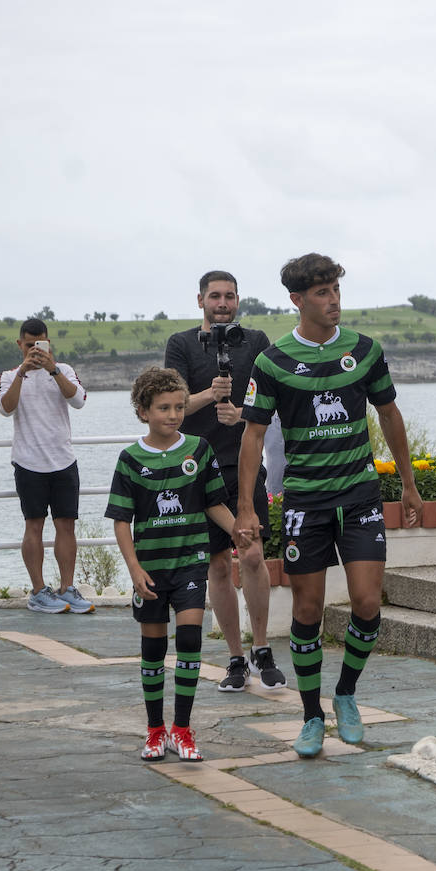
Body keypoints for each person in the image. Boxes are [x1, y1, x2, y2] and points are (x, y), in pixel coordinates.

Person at [234, 252, 422, 758]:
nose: (333, 299)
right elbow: (252, 437)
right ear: (297, 300)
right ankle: (312, 714)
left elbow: (389, 414)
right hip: (305, 504)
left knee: (365, 603)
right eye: (321, 292)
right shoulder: (272, 361)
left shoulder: (364, 351)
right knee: (308, 610)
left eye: (336, 289)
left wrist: (408, 483)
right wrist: (247, 509)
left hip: (360, 496)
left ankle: (346, 695)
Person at [106, 367, 237, 763]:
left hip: (191, 564)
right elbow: (121, 520)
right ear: (143, 411)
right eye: (164, 408)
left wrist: (241, 533)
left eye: (179, 407)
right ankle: (154, 731)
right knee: (153, 650)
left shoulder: (199, 450)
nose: (174, 414)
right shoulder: (130, 460)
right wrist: (133, 569)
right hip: (150, 570)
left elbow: (215, 503)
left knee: (191, 643)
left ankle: (182, 729)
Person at [165, 271, 286, 692]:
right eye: (214, 296)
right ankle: (235, 657)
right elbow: (171, 406)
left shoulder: (256, 342)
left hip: (244, 466)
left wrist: (245, 414)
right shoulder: (181, 345)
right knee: (217, 564)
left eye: (229, 296)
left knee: (252, 556)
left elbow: (273, 399)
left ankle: (263, 648)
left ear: (238, 300)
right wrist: (209, 396)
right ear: (200, 299)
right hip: (195, 469)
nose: (222, 303)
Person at [0, 319, 92, 615]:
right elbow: (4, 408)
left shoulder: (64, 371)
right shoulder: (10, 375)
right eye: (29, 346)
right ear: (20, 345)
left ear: (49, 343)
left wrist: (52, 369)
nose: (35, 351)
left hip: (63, 459)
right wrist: (24, 372)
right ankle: (38, 591)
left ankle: (67, 588)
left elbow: (78, 400)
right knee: (33, 525)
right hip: (28, 461)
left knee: (66, 525)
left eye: (40, 345)